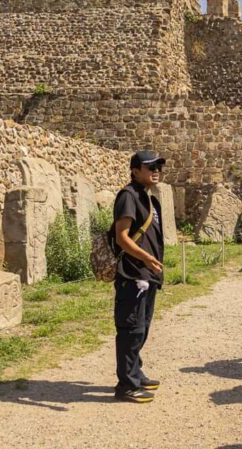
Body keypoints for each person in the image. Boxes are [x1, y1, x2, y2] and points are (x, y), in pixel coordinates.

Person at [112, 150, 166, 403]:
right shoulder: (128, 196)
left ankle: (135, 373)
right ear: (135, 171)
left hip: (147, 273)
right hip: (133, 273)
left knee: (141, 328)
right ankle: (127, 385)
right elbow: (121, 237)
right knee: (131, 330)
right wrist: (145, 258)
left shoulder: (148, 198)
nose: (156, 171)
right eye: (150, 167)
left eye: (159, 166)